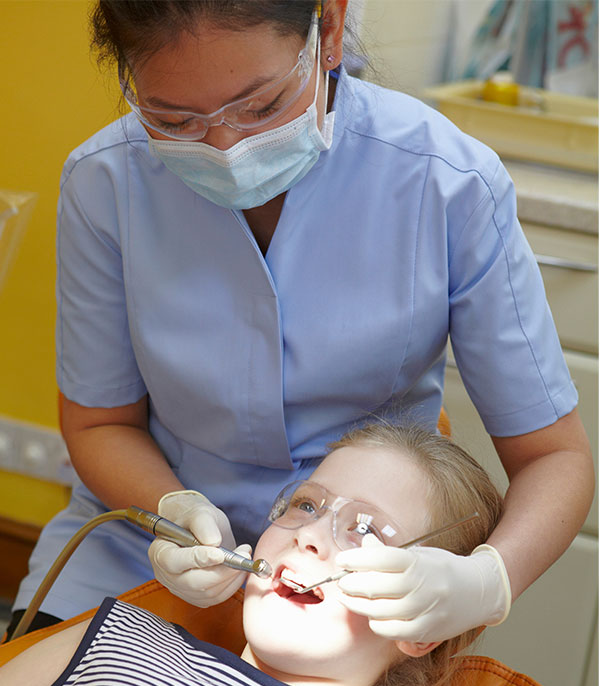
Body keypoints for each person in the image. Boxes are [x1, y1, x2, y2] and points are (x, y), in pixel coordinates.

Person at [7, 0, 593, 645]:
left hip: (354, 585)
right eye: (174, 119)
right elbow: (98, 422)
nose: (225, 147)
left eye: (260, 107)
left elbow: (554, 459)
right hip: (140, 551)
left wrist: (487, 580)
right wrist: (170, 511)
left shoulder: (447, 182)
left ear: (330, 31)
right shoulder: (105, 181)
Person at [1, 422, 504, 686]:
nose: (307, 535)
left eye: (365, 529)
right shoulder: (116, 638)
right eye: (306, 505)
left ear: (423, 626)